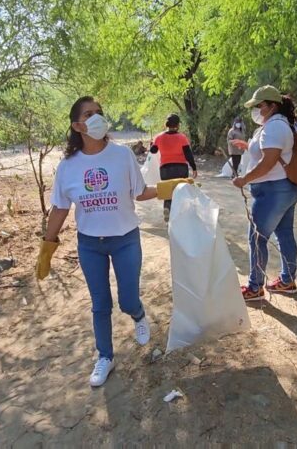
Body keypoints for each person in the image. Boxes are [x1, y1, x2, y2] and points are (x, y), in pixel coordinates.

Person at [35, 96, 191, 387]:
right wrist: (48, 246)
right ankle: (105, 356)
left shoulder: (121, 156)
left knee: (127, 299)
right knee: (100, 303)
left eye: (99, 112)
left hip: (125, 240)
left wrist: (172, 187)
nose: (96, 118)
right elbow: (59, 208)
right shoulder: (68, 166)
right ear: (77, 125)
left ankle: (138, 314)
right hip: (90, 244)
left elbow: (139, 191)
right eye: (88, 114)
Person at [231, 85, 297, 301]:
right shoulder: (274, 126)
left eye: (259, 106)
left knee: (257, 238)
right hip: (283, 188)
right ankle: (287, 281)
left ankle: (255, 287)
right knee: (284, 234)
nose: (256, 110)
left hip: (273, 191)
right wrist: (248, 146)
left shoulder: (275, 127)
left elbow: (269, 161)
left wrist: (245, 179)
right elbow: (266, 152)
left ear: (272, 106)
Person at [150, 114, 198, 221]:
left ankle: (167, 208)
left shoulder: (159, 137)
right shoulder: (182, 137)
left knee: (168, 191)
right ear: (177, 125)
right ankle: (180, 216)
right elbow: (188, 154)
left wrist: (151, 144)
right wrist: (194, 167)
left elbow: (153, 151)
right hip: (180, 168)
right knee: (180, 191)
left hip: (165, 168)